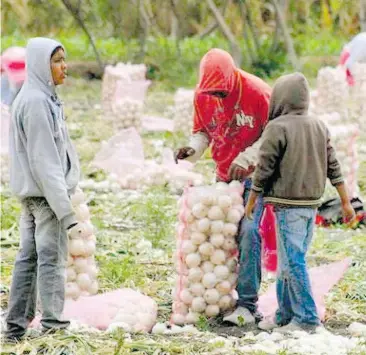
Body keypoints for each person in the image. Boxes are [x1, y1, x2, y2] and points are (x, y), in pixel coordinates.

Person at [245, 72, 356, 333]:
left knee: (293, 261)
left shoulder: (277, 127)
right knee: (288, 260)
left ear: (280, 98)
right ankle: (284, 315)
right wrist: (346, 201)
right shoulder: (319, 125)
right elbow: (334, 167)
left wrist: (252, 200)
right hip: (311, 206)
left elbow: (263, 169)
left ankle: (306, 319)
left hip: (287, 206)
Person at [175, 48, 272, 325]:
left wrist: (247, 159)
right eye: (212, 93)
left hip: (256, 177)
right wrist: (191, 150)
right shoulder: (202, 95)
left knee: (249, 233)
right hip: (224, 177)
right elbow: (203, 131)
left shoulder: (259, 93)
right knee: (218, 237)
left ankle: (247, 304)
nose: (217, 98)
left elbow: (272, 135)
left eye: (222, 93)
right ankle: (217, 298)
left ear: (233, 79)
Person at [5, 37, 80, 342]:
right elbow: (45, 162)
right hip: (46, 198)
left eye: (64, 59)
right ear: (41, 65)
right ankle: (53, 327)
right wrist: (66, 211)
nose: (65, 67)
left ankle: (15, 327)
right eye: (58, 60)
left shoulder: (39, 97)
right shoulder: (36, 102)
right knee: (51, 260)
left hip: (35, 195)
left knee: (29, 259)